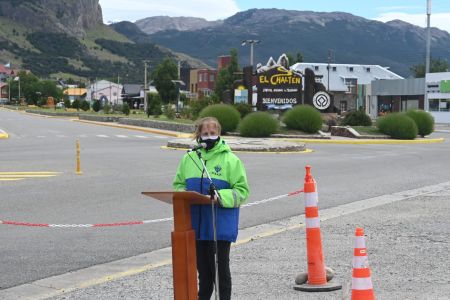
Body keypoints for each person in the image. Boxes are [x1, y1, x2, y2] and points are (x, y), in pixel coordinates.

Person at [173, 117, 250, 300]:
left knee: (220, 272)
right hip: (196, 227)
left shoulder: (231, 160)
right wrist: (184, 193)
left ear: (219, 134)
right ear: (198, 135)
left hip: (219, 227)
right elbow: (178, 185)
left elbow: (242, 191)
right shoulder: (189, 159)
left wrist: (220, 196)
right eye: (205, 133)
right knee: (204, 275)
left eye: (213, 133)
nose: (209, 136)